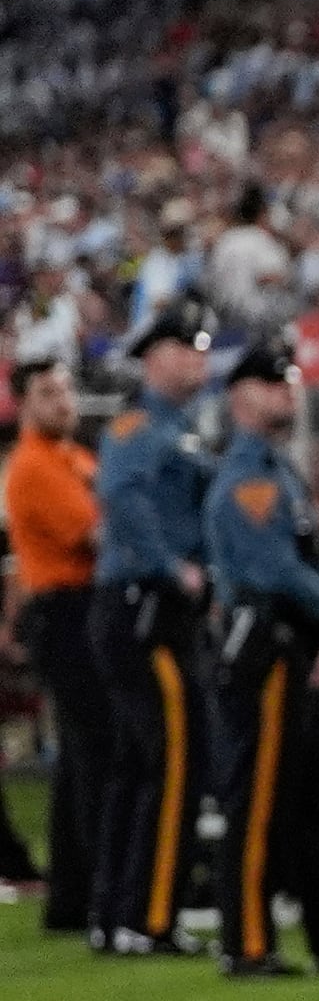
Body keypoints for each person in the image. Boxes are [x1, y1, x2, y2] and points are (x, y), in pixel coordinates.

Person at [202, 337, 319, 981]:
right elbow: (276, 571)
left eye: (288, 380)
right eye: (271, 383)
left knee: (315, 799)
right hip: (265, 644)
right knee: (258, 797)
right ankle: (247, 942)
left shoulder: (279, 470)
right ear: (240, 398)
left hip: (294, 645)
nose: (285, 391)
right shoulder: (249, 479)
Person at [86, 301, 218, 956]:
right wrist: (176, 569)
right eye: (183, 347)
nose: (197, 357)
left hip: (144, 601)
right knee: (171, 762)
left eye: (201, 347)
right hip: (147, 603)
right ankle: (150, 913)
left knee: (140, 766)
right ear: (151, 357)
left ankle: (116, 912)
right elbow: (127, 499)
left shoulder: (181, 426)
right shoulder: (142, 425)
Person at [9, 354, 101, 940]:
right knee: (97, 751)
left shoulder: (76, 459)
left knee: (82, 758)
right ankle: (92, 884)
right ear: (24, 404)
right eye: (47, 393)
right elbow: (98, 532)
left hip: (81, 608)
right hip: (64, 611)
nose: (63, 402)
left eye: (67, 390)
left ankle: (74, 893)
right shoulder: (35, 467)